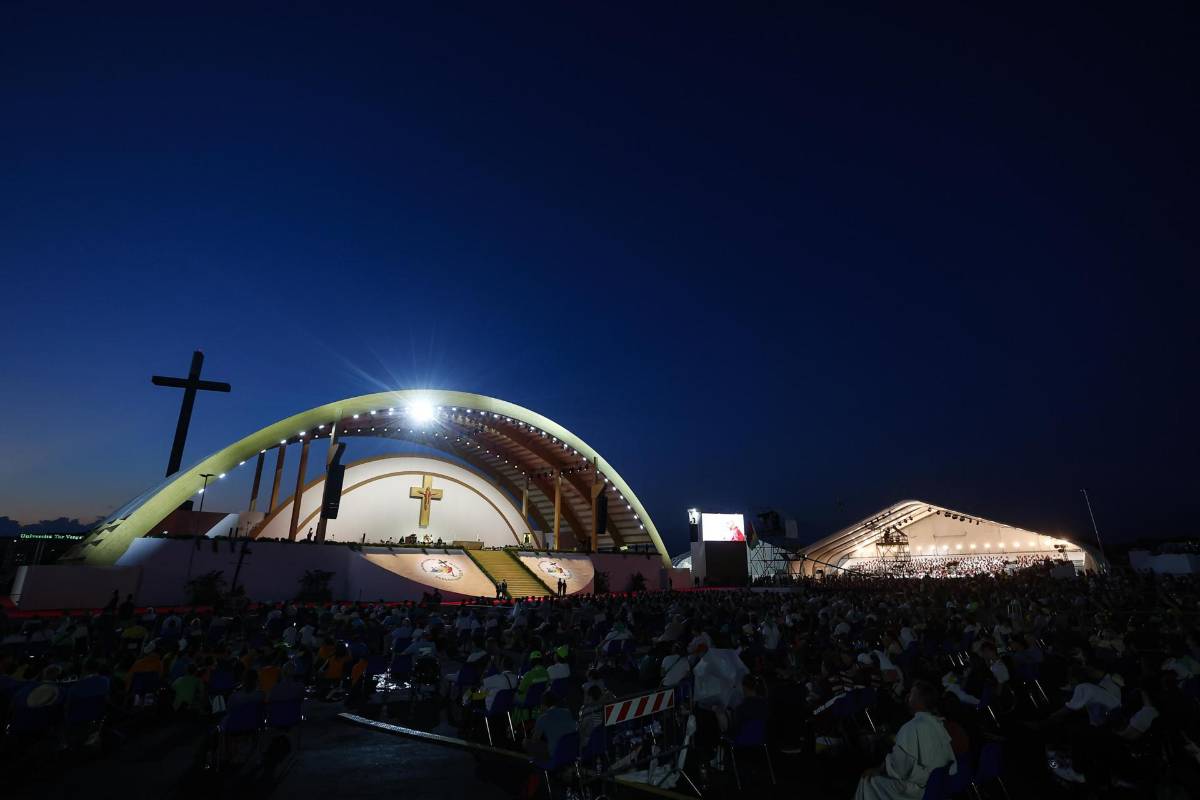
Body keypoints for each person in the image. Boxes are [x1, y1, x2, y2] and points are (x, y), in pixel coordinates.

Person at [854, 680, 956, 800]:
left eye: (911, 694)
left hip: (918, 790)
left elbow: (899, 768)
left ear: (918, 700)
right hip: (936, 787)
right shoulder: (938, 725)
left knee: (868, 781)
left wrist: (879, 769)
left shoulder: (913, 726)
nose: (908, 697)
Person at [524, 691, 575, 761]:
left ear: (543, 704)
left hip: (555, 754)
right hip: (572, 751)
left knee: (526, 742)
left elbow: (535, 740)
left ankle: (536, 762)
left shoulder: (543, 718)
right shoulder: (568, 712)